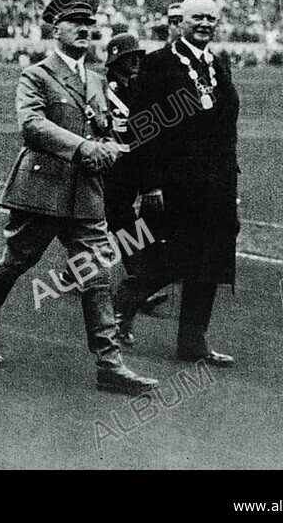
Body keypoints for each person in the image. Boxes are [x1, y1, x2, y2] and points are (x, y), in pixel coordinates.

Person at [0, 0, 159, 396]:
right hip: (42, 189)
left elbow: (103, 127)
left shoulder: (96, 78)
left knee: (98, 273)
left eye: (91, 25)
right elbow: (31, 126)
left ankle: (109, 362)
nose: (86, 30)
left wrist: (110, 143)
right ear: (57, 29)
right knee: (15, 263)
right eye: (77, 24)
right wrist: (86, 147)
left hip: (85, 194)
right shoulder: (36, 74)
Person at [115, 0, 238, 367]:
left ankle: (193, 340)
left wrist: (232, 186)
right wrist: (150, 183)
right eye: (197, 17)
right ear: (180, 22)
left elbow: (226, 128)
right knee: (170, 258)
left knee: (211, 258)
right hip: (174, 183)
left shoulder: (219, 63)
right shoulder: (158, 64)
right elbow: (142, 127)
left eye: (210, 18)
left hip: (216, 183)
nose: (204, 24)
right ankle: (120, 312)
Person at [101, 33, 167, 339]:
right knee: (117, 223)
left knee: (123, 225)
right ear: (116, 61)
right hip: (112, 166)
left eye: (138, 57)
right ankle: (135, 278)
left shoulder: (137, 87)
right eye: (130, 58)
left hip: (131, 166)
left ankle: (135, 276)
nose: (136, 62)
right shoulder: (107, 89)